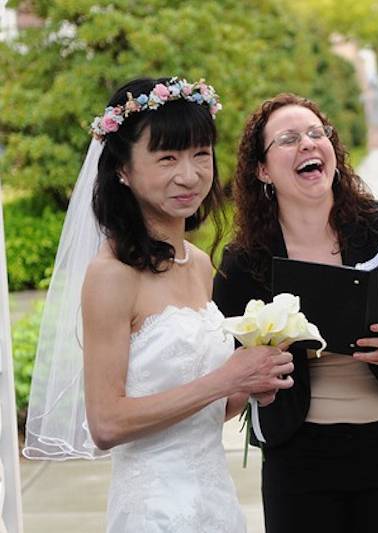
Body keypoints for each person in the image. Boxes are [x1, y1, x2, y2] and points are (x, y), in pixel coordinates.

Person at [23, 77, 294, 532]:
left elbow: (208, 406)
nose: (189, 175)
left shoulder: (201, 263)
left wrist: (246, 386)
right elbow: (106, 423)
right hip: (154, 512)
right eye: (167, 158)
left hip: (217, 503)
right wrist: (224, 378)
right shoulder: (112, 275)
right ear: (122, 170)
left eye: (200, 155)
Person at [212, 93, 378, 533]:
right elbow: (227, 365)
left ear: (332, 153)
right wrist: (256, 380)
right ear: (262, 170)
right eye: (288, 139)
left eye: (316, 133)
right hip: (298, 453)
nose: (307, 143)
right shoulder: (244, 262)